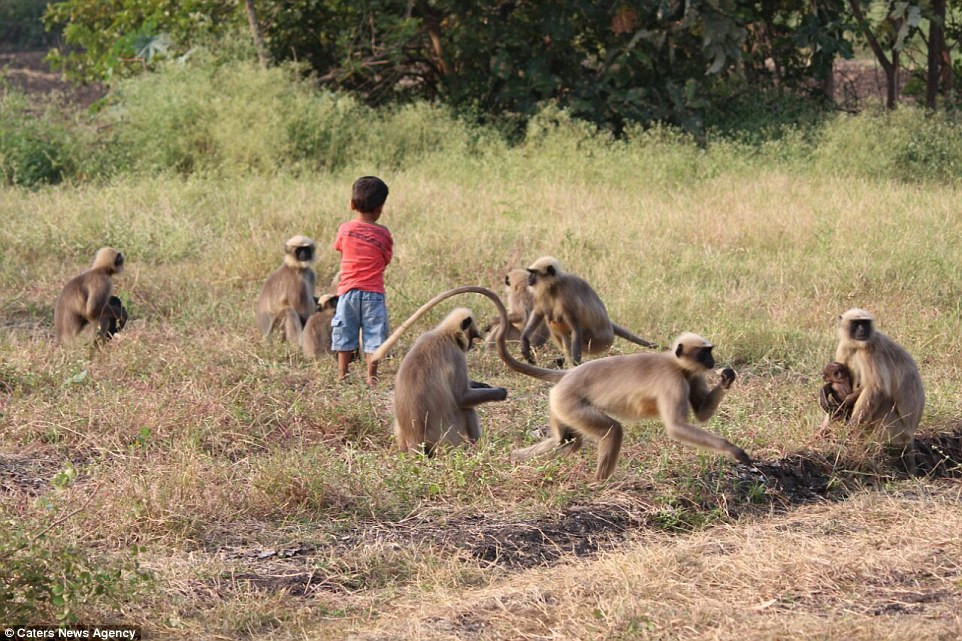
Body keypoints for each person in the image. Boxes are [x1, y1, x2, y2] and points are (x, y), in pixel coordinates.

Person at [331, 176, 393, 385]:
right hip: (373, 294)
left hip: (347, 292)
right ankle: (371, 377)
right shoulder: (384, 233)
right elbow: (386, 258)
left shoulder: (345, 229)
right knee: (373, 335)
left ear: (352, 204)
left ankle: (342, 374)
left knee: (344, 331)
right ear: (380, 209)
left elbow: (339, 248)